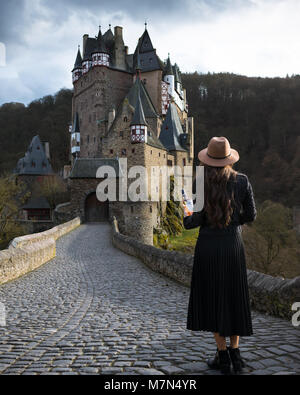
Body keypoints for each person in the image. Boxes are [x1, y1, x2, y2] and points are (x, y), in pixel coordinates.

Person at [183, 136, 256, 375]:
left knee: (213, 298)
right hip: (233, 246)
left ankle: (222, 356)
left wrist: (186, 211)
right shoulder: (242, 181)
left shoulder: (199, 182)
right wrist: (234, 221)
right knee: (234, 296)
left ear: (207, 160)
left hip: (208, 247)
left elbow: (192, 222)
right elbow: (251, 215)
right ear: (228, 160)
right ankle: (236, 353)